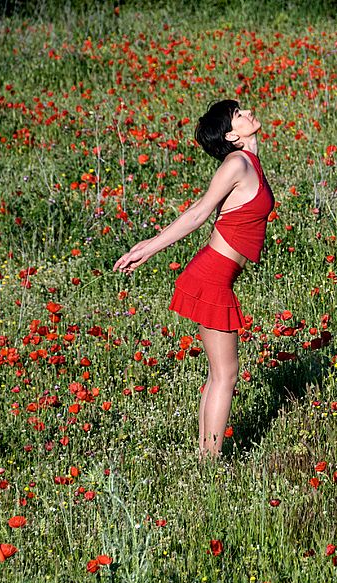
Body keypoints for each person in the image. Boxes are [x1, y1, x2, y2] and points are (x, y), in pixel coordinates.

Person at [112, 99, 275, 460]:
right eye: (238, 114)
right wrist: (150, 248)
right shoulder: (237, 163)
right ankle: (209, 461)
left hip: (216, 274)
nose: (247, 112)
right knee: (226, 376)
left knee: (220, 374)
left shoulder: (249, 162)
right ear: (232, 134)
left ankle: (205, 456)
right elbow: (199, 212)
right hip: (212, 277)